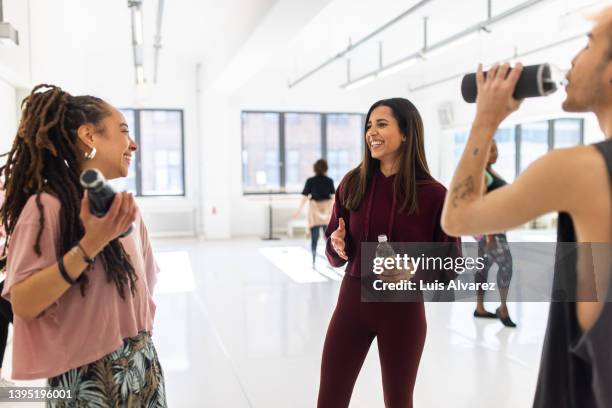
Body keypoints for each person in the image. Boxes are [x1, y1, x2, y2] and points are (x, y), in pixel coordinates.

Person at [441, 7, 612, 408]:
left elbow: (457, 216)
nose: (572, 60)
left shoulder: (580, 168)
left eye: (588, 45)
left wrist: (485, 118)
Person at [0, 85, 166, 406]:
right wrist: (90, 245)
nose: (133, 144)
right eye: (122, 131)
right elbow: (23, 303)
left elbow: (145, 287)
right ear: (89, 136)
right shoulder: (47, 208)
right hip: (84, 386)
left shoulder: (125, 209)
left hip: (142, 370)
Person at [317, 98, 460, 408]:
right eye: (369, 125)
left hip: (403, 311)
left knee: (398, 401)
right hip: (352, 304)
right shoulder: (352, 184)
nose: (372, 132)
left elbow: (451, 267)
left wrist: (412, 268)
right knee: (329, 400)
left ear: (406, 133)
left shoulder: (435, 195)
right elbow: (332, 251)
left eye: (382, 124)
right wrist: (336, 245)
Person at [473, 140, 516, 327]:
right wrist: (490, 234)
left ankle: (480, 308)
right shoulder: (482, 175)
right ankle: (503, 308)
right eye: (491, 150)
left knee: (483, 267)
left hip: (492, 230)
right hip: (492, 231)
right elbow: (482, 204)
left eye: (497, 150)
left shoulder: (489, 172)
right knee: (506, 265)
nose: (495, 153)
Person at [293, 159, 335, 267]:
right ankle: (330, 260)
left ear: (315, 168)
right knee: (328, 238)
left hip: (314, 213)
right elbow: (334, 198)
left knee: (314, 238)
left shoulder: (310, 181)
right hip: (327, 213)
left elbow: (304, 197)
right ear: (326, 168)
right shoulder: (329, 180)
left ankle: (313, 260)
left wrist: (298, 211)